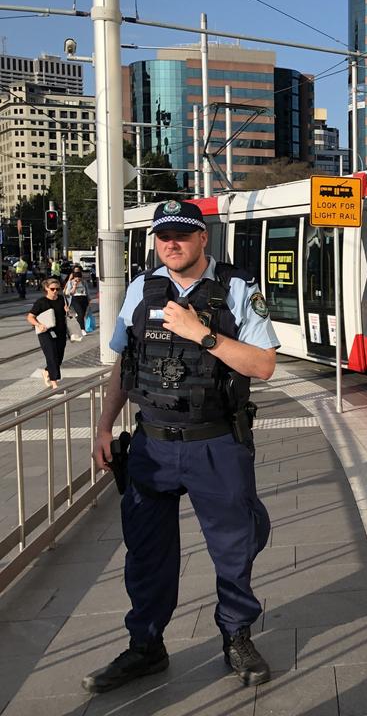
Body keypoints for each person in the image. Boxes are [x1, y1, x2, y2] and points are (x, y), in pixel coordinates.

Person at [83, 201, 280, 694]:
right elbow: (123, 369)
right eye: (163, 235)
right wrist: (105, 428)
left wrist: (202, 334)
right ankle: (146, 646)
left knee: (233, 548)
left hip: (216, 444)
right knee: (146, 553)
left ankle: (236, 634)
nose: (172, 243)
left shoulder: (238, 289)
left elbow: (263, 365)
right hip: (151, 443)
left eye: (183, 235)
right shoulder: (140, 290)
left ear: (203, 239)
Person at [26, 277, 70, 389]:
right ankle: (54, 382)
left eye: (57, 289)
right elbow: (30, 317)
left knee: (59, 356)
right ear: (46, 288)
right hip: (46, 333)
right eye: (52, 289)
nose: (55, 291)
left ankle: (46, 372)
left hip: (60, 331)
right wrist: (39, 325)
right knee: (52, 356)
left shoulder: (62, 299)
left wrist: (68, 311)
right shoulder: (41, 302)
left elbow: (68, 315)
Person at [64, 265, 90, 333]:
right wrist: (74, 286)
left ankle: (79, 321)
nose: (78, 279)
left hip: (84, 298)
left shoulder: (83, 282)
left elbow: (87, 291)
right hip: (75, 298)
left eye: (79, 278)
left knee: (82, 315)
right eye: (76, 278)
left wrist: (89, 299)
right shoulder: (71, 281)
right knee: (81, 314)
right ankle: (82, 329)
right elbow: (69, 293)